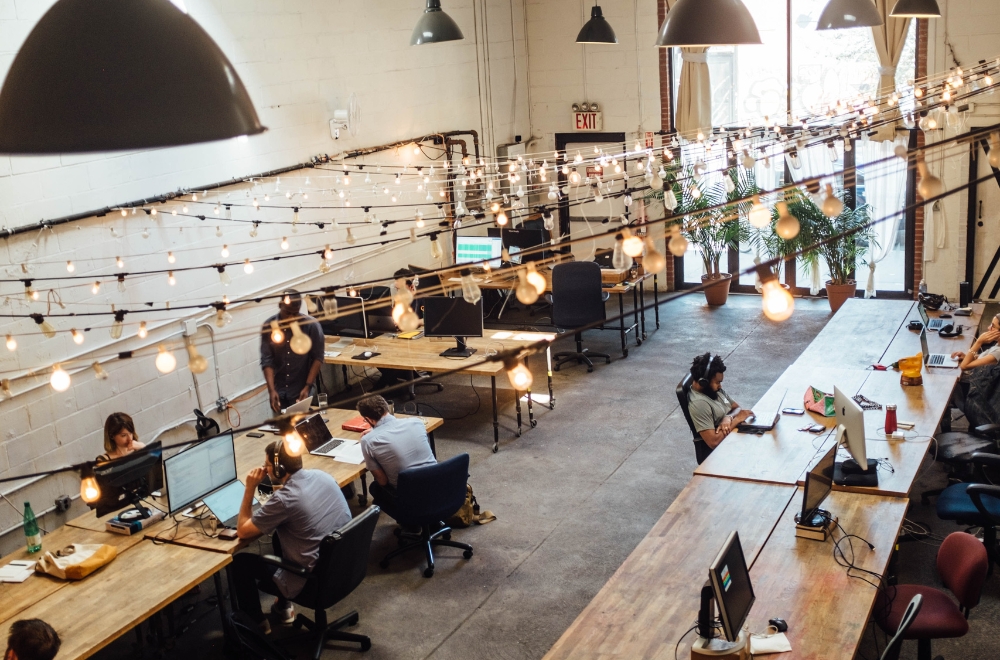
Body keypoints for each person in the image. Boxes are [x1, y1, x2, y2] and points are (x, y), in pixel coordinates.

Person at [233, 440, 352, 634]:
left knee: (239, 563)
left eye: (268, 466)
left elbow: (243, 532)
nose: (265, 469)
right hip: (343, 567)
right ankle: (284, 608)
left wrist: (249, 489)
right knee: (279, 538)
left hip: (313, 582)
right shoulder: (322, 476)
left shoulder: (284, 500)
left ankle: (258, 624)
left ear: (279, 469)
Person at [357, 394, 436, 507]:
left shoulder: (368, 441)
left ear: (368, 419)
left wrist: (374, 434)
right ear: (386, 408)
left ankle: (410, 519)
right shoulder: (416, 423)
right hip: (436, 485)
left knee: (375, 487)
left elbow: (383, 481)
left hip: (410, 497)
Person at [260, 289, 325, 413]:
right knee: (283, 428)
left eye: (295, 314)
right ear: (280, 306)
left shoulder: (311, 326)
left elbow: (318, 358)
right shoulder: (269, 326)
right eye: (287, 312)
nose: (291, 317)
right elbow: (266, 360)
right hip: (279, 389)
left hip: (301, 388)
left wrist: (307, 386)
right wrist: (271, 390)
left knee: (303, 426)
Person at [687, 353, 753, 461]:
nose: (720, 386)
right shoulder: (699, 404)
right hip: (722, 453)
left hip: (733, 437)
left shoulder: (712, 390)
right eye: (717, 382)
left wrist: (728, 418)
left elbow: (737, 408)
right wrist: (736, 420)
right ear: (704, 382)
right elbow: (713, 442)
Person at [374, 269, 424, 392]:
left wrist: (415, 322)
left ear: (411, 287)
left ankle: (380, 387)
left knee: (393, 355)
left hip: (419, 342)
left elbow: (431, 320)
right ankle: (391, 381)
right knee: (376, 352)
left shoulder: (422, 300)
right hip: (400, 338)